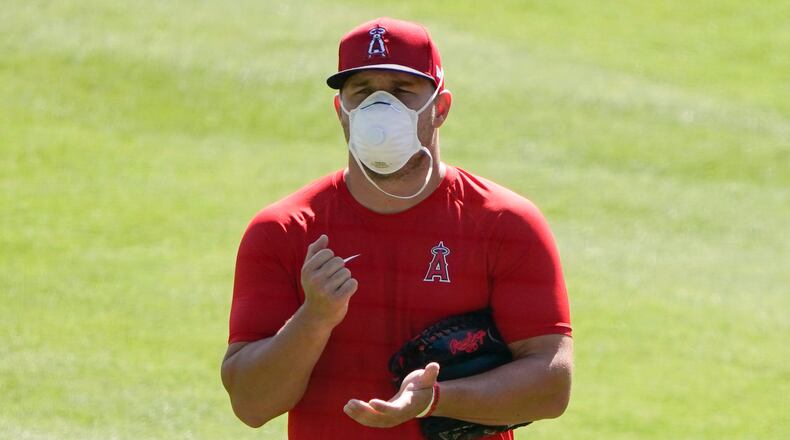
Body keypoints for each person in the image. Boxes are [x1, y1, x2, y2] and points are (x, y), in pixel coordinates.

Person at [220, 17, 573, 440]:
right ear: (341, 110)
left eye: (403, 91)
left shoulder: (504, 224)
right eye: (363, 92)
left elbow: (552, 385)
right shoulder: (285, 231)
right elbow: (251, 404)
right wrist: (313, 318)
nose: (380, 109)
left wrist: (436, 399)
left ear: (440, 108)